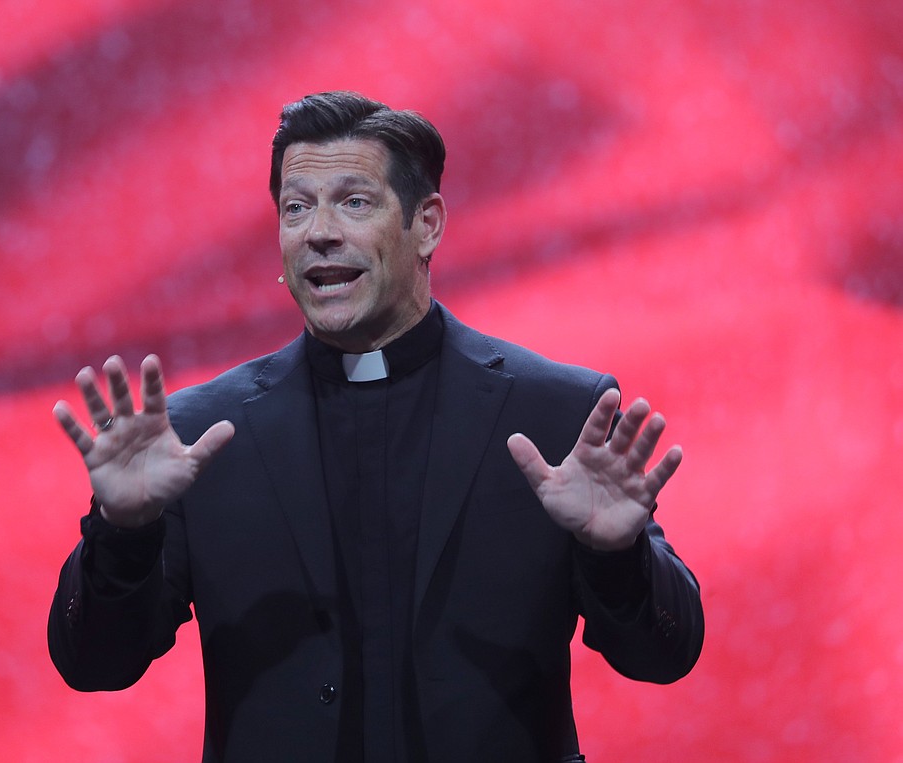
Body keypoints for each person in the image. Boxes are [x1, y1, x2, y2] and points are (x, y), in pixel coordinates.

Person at [48, 91, 704, 763]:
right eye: (295, 207)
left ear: (427, 224)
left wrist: (617, 556)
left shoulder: (558, 412)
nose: (318, 232)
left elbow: (663, 654)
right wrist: (122, 533)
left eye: (353, 202)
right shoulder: (200, 434)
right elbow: (96, 664)